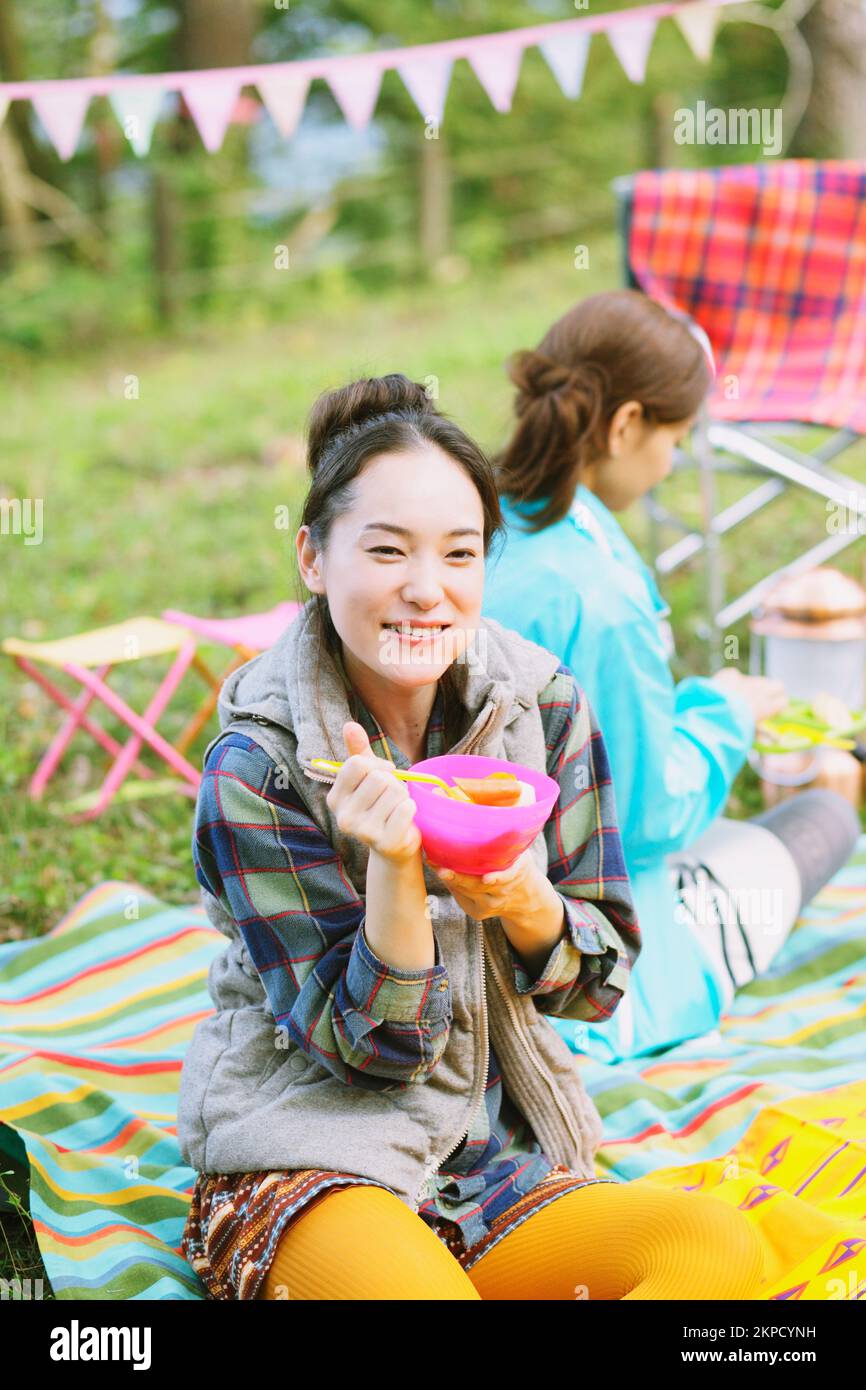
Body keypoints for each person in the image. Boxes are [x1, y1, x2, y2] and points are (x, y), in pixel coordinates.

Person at [175, 372, 763, 1300]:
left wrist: (525, 899)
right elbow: (375, 1054)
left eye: (459, 555)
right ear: (313, 558)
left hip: (495, 1161)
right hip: (312, 1155)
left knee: (716, 1251)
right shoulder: (258, 765)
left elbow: (598, 980)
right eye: (386, 551)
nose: (425, 591)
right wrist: (397, 874)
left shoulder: (541, 705)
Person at [483, 289, 861, 1063]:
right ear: (625, 426)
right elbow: (649, 819)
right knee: (827, 815)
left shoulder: (472, 526)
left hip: (469, 899)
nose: (672, 463)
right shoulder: (599, 599)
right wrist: (726, 713)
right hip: (581, 963)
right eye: (676, 440)